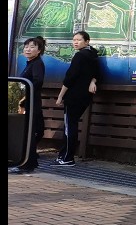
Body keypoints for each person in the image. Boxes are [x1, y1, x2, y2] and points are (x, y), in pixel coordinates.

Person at [55, 30, 101, 165]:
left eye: (79, 40)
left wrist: (60, 96)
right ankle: (63, 154)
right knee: (71, 124)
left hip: (73, 96)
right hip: (85, 97)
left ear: (86, 41)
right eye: (74, 40)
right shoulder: (93, 54)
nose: (75, 42)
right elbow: (97, 74)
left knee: (70, 126)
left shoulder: (80, 56)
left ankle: (67, 157)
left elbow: (70, 78)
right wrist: (93, 81)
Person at [10, 36, 47, 174]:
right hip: (27, 103)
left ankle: (27, 163)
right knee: (27, 133)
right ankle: (29, 162)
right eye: (26, 47)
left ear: (39, 50)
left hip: (31, 104)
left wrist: (25, 98)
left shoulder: (37, 64)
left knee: (29, 133)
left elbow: (37, 82)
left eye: (32, 47)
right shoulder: (30, 63)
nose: (28, 49)